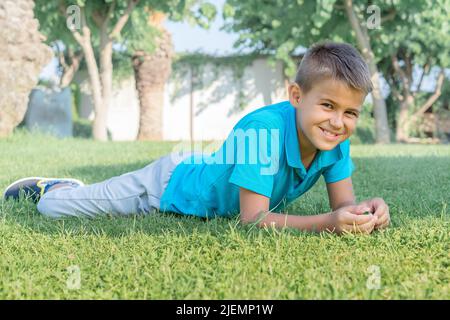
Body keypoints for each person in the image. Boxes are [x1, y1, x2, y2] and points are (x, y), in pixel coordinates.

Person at [3, 41, 390, 235]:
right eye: (327, 105)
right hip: (164, 187)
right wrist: (328, 222)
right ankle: (58, 186)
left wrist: (363, 213)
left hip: (202, 176)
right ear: (296, 96)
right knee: (51, 210)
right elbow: (253, 220)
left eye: (350, 112)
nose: (338, 122)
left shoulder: (335, 140)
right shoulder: (264, 131)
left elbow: (346, 205)